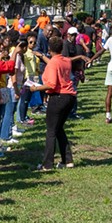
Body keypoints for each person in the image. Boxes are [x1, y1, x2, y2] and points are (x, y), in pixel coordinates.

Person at [27, 33, 77, 170]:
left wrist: (35, 88)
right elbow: (55, 63)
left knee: (51, 131)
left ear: (49, 49)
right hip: (70, 97)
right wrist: (43, 57)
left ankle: (47, 164)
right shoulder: (65, 60)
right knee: (59, 128)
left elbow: (51, 85)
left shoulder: (53, 64)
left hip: (58, 97)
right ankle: (68, 160)